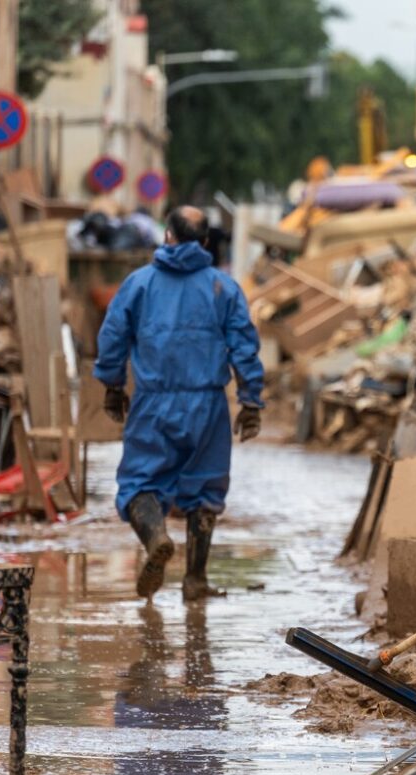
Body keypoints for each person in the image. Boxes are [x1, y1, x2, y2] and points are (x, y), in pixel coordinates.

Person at [94, 206, 265, 601]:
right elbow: (244, 345)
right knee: (204, 490)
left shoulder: (139, 284)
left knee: (139, 483)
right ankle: (195, 580)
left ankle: (155, 538)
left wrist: (112, 386)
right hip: (208, 405)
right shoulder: (223, 288)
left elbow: (113, 336)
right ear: (205, 242)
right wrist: (251, 402)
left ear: (167, 235)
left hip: (153, 404)